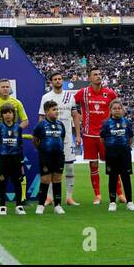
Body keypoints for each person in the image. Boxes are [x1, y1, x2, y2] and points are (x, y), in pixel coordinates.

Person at [73, 67, 119, 204]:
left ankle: (120, 193)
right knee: (93, 165)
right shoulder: (83, 92)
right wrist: (79, 116)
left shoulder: (110, 93)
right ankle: (97, 195)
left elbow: (118, 108)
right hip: (89, 135)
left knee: (113, 164)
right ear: (89, 78)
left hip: (107, 136)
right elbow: (71, 105)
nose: (98, 76)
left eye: (100, 74)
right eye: (95, 75)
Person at [0, 79, 29, 208]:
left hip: (13, 143)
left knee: (20, 169)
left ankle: (23, 199)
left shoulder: (16, 103)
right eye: (3, 87)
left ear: (10, 88)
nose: (5, 89)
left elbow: (25, 121)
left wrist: (16, 130)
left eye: (7, 87)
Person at [39, 71, 81, 205]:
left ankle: (69, 197)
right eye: (55, 79)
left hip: (67, 138)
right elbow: (41, 117)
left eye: (60, 78)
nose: (58, 81)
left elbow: (75, 116)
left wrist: (78, 135)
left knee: (69, 168)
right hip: (50, 139)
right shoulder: (46, 97)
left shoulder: (70, 97)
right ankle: (49, 197)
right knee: (51, 169)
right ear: (51, 82)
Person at [100, 99, 134, 212]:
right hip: (111, 155)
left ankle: (130, 201)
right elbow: (102, 139)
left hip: (125, 154)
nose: (117, 110)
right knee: (113, 178)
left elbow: (131, 138)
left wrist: (125, 147)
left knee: (126, 178)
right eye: (114, 108)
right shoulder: (106, 124)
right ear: (110, 110)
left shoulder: (127, 123)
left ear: (122, 110)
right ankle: (112, 202)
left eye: (119, 108)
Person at [32, 99, 67, 215]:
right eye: (54, 109)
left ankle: (57, 205)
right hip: (45, 156)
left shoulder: (60, 125)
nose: (57, 112)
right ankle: (41, 205)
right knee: (45, 180)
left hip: (59, 156)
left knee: (57, 179)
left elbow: (61, 139)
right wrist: (41, 150)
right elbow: (35, 139)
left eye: (57, 109)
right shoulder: (41, 125)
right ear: (47, 111)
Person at [0, 103, 26, 215]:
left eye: (10, 112)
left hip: (15, 159)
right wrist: (1, 155)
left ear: (13, 114)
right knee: (2, 182)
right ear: (2, 115)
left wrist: (21, 162)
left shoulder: (18, 128)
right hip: (3, 159)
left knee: (17, 182)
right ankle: (2, 206)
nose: (8, 115)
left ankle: (19, 206)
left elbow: (20, 145)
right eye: (5, 113)